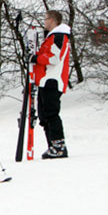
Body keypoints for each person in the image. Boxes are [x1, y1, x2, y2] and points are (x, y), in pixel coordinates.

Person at [33, 10, 71, 159]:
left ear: (54, 20)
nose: (45, 22)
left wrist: (36, 58)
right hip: (44, 80)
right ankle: (52, 145)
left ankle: (59, 146)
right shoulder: (51, 37)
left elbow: (54, 58)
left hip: (52, 80)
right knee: (44, 115)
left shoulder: (59, 36)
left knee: (51, 113)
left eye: (47, 19)